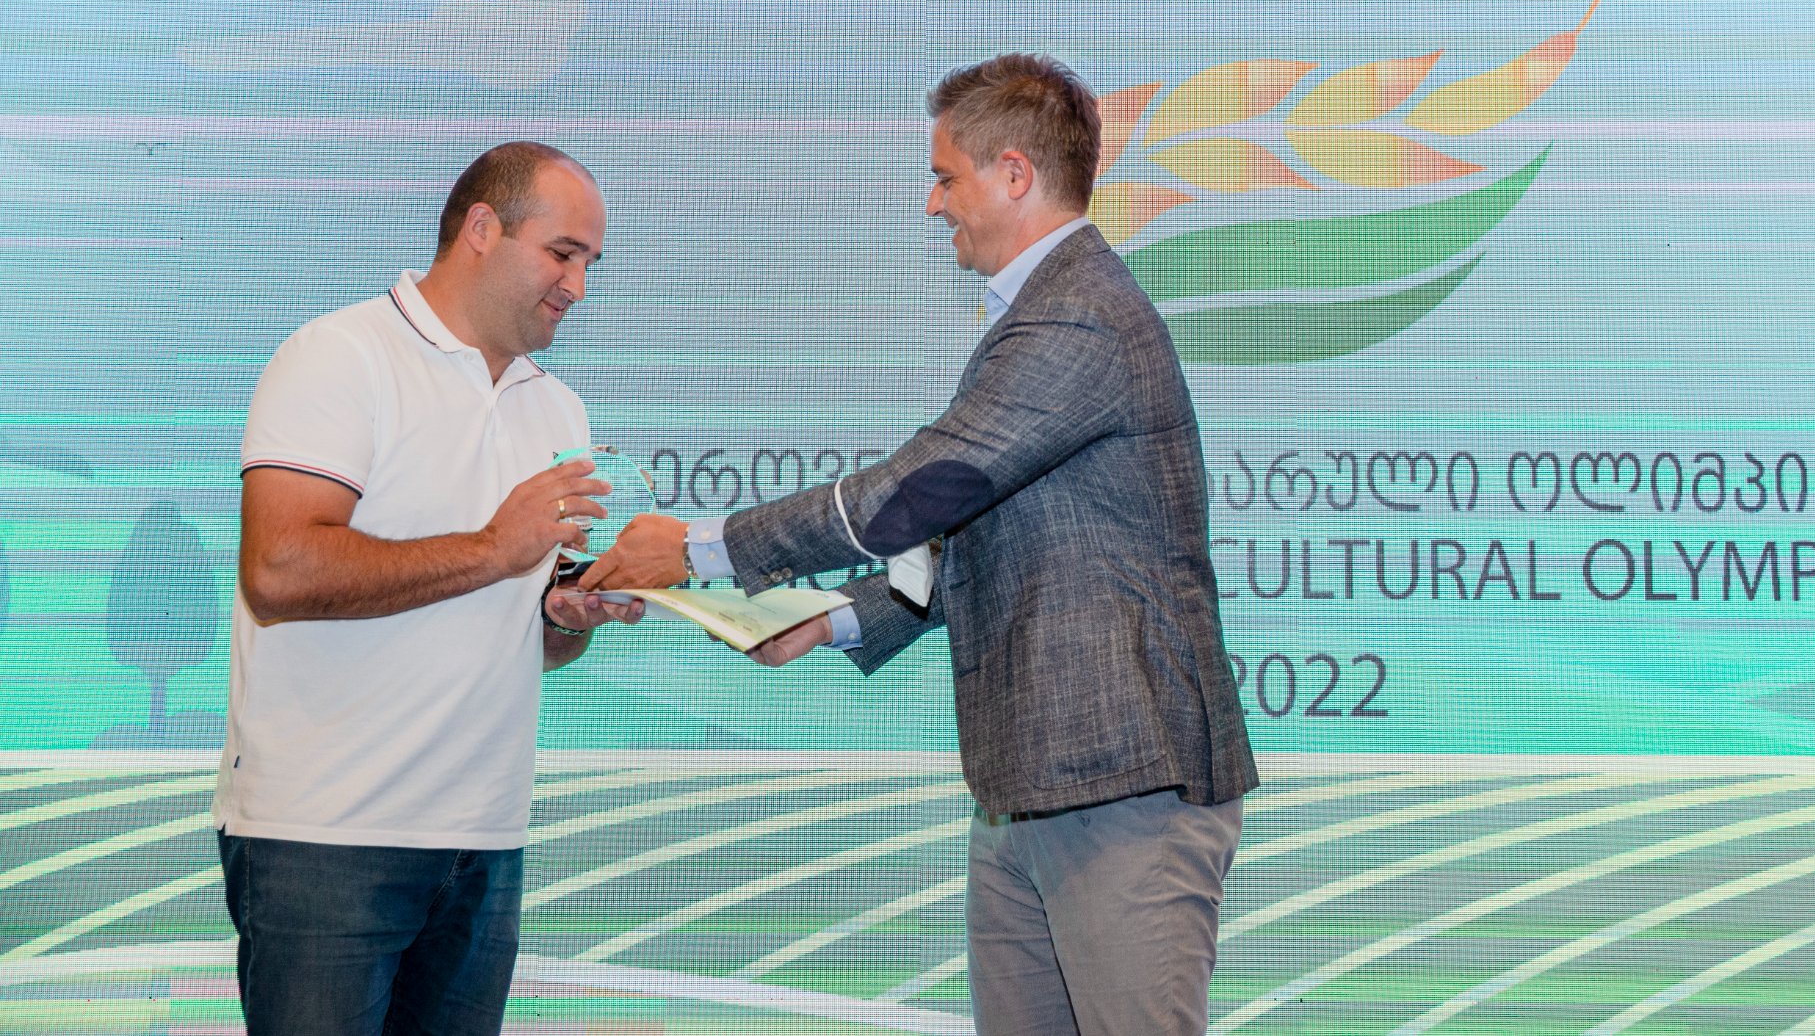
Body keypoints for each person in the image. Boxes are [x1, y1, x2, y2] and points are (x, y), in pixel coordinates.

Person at [584, 54, 1259, 1035]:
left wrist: (698, 547)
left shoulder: (1077, 314)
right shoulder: (1045, 311)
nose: (931, 202)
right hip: (1031, 788)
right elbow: (979, 535)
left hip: (1120, 782)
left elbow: (919, 493)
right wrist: (833, 619)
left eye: (945, 177)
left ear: (1014, 174)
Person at [215, 141, 643, 1036]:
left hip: (485, 840)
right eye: (563, 253)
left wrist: (570, 616)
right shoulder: (339, 356)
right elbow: (278, 570)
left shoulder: (558, 407)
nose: (578, 286)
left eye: (590, 264)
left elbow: (533, 639)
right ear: (482, 228)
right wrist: (493, 548)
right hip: (326, 833)